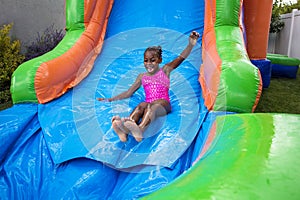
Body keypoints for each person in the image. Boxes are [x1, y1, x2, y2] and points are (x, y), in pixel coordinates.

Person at [97, 31, 200, 142]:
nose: (149, 63)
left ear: (159, 60)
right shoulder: (142, 76)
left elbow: (181, 58)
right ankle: (126, 129)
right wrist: (110, 99)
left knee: (152, 106)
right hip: (149, 103)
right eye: (146, 61)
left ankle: (140, 129)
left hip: (163, 104)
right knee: (141, 105)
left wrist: (191, 44)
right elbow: (128, 92)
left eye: (153, 60)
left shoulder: (165, 70)